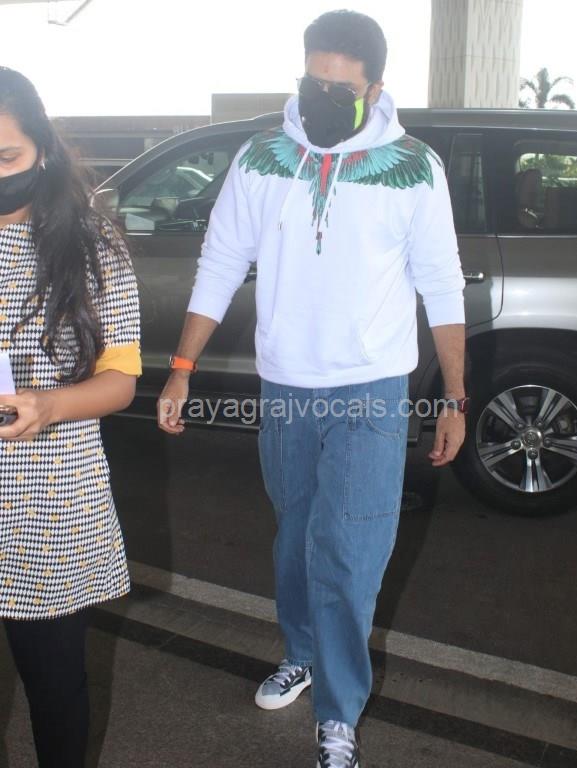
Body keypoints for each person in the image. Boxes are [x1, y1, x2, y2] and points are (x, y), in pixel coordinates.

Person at [159, 10, 466, 766]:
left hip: (372, 390)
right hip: (286, 388)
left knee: (350, 554)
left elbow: (441, 284)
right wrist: (182, 369)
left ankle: (338, 714)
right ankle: (301, 653)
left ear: (375, 90)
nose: (323, 98)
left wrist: (455, 398)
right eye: (312, 83)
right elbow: (221, 261)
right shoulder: (261, 158)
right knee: (296, 538)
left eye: (342, 90)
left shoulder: (414, 166)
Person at [0, 67, 141, 768]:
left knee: (55, 687)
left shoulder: (94, 246)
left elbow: (119, 380)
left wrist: (50, 403)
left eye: (6, 157)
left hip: (49, 499)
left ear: (43, 151)